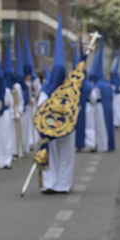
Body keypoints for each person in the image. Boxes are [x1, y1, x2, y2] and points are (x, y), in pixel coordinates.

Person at [39, 15, 76, 194]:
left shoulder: (69, 91)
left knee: (66, 156)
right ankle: (51, 183)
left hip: (66, 128)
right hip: (52, 127)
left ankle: (64, 184)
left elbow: (75, 108)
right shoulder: (46, 91)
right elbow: (40, 110)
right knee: (52, 156)